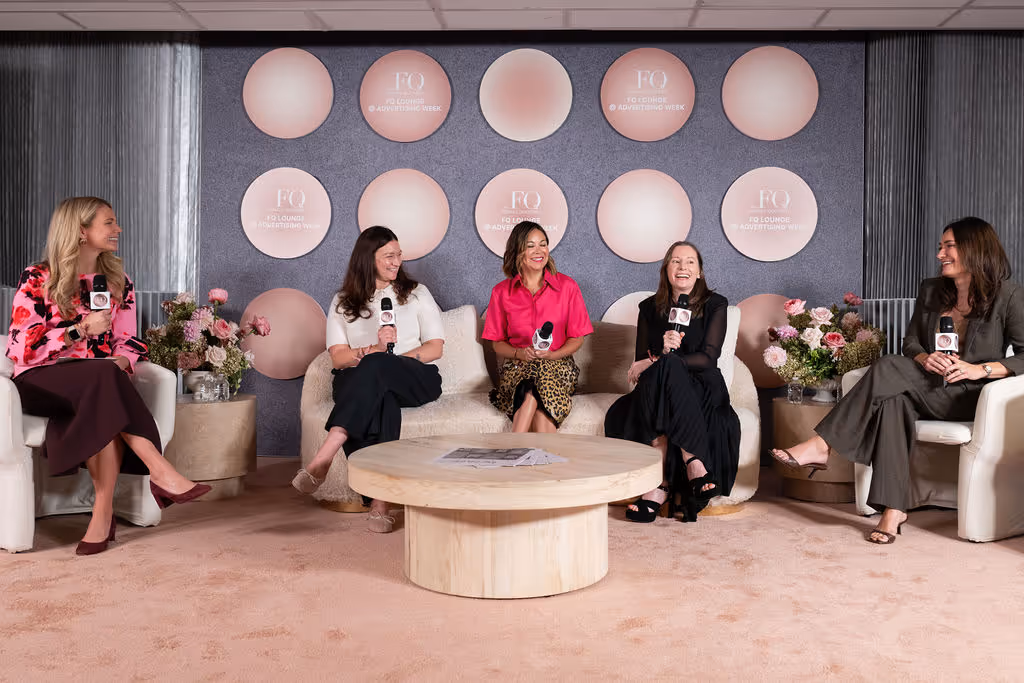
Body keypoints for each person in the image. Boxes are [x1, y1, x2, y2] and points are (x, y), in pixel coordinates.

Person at [771, 217, 1024, 544]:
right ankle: (893, 511)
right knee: (893, 400)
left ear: (974, 248)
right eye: (940, 247)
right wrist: (924, 358)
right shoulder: (932, 290)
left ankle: (823, 444)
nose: (940, 254)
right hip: (927, 386)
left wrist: (982, 370)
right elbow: (911, 344)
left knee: (889, 366)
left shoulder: (1009, 295)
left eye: (949, 246)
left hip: (969, 396)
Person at [4, 197, 211, 556]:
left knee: (104, 380)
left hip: (98, 381)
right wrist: (79, 330)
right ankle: (159, 470)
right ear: (82, 231)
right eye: (109, 223)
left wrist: (124, 362)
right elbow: (21, 348)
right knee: (103, 379)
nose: (118, 230)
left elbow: (129, 341)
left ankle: (102, 515)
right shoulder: (38, 277)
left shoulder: (118, 283)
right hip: (41, 379)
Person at [292, 226, 444, 533]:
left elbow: (435, 348)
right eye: (389, 255)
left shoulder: (416, 293)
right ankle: (380, 504)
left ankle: (328, 448)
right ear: (367, 258)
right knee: (381, 397)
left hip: (412, 375)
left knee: (379, 368)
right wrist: (373, 350)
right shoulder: (343, 301)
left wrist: (389, 361)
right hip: (360, 378)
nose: (396, 261)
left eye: (398, 255)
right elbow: (338, 357)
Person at [605, 241, 740, 523]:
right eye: (676, 261)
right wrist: (663, 354)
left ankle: (658, 488)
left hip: (702, 385)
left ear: (700, 271)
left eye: (690, 262)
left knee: (668, 368)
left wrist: (662, 360)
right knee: (664, 373)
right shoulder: (649, 308)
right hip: (659, 386)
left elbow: (708, 358)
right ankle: (695, 463)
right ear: (666, 269)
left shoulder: (716, 304)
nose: (683, 267)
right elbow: (640, 359)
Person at [482, 221, 593, 432]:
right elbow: (497, 344)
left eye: (543, 244)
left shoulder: (568, 287)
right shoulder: (501, 292)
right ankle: (543, 460)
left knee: (539, 374)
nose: (538, 251)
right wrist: (519, 353)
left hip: (559, 367)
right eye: (530, 245)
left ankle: (514, 445)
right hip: (517, 367)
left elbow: (577, 338)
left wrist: (553, 355)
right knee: (534, 390)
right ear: (518, 251)